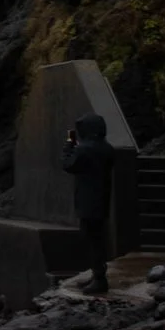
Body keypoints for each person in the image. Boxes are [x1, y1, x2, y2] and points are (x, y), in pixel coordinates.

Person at [63, 114, 115, 295]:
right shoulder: (107, 148)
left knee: (92, 240)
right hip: (101, 199)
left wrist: (70, 143)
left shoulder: (84, 150)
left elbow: (68, 164)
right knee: (97, 239)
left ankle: (99, 279)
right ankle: (97, 275)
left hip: (87, 201)